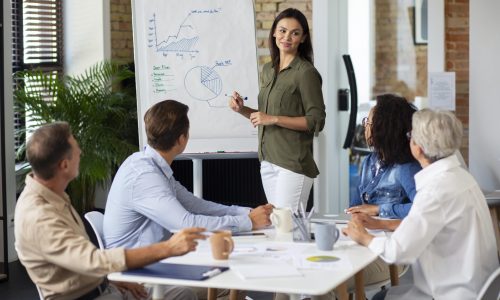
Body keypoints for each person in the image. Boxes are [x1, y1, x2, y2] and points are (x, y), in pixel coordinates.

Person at [14, 122, 206, 300]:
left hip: (105, 287)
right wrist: (168, 248)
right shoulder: (39, 216)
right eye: (76, 148)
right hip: (91, 297)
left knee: (183, 293)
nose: (80, 152)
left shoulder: (53, 195)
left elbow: (74, 262)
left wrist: (111, 280)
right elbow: (92, 260)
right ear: (64, 165)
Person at [343, 109, 499, 299]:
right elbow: (432, 225)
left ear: (419, 147)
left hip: (448, 293)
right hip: (477, 289)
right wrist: (382, 223)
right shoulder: (464, 179)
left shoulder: (435, 191)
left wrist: (363, 237)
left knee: (379, 298)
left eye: (410, 135)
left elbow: (398, 252)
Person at [103, 99, 272, 250]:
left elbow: (195, 205)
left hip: (151, 260)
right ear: (182, 139)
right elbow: (185, 224)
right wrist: (248, 222)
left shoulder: (152, 166)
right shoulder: (144, 176)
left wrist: (246, 213)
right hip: (136, 273)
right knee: (222, 269)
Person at [229, 8, 326, 211]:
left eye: (295, 33)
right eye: (282, 31)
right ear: (273, 33)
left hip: (293, 164)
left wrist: (273, 119)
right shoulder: (268, 70)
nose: (287, 37)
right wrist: (242, 109)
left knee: (287, 228)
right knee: (276, 227)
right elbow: (263, 116)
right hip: (268, 161)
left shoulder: (306, 73)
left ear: (303, 38)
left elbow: (316, 120)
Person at [346, 94, 421, 219]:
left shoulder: (406, 168)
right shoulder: (368, 162)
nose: (365, 126)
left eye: (368, 122)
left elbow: (422, 207)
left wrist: (379, 209)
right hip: (368, 231)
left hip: (393, 235)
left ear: (383, 129)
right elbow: (355, 207)